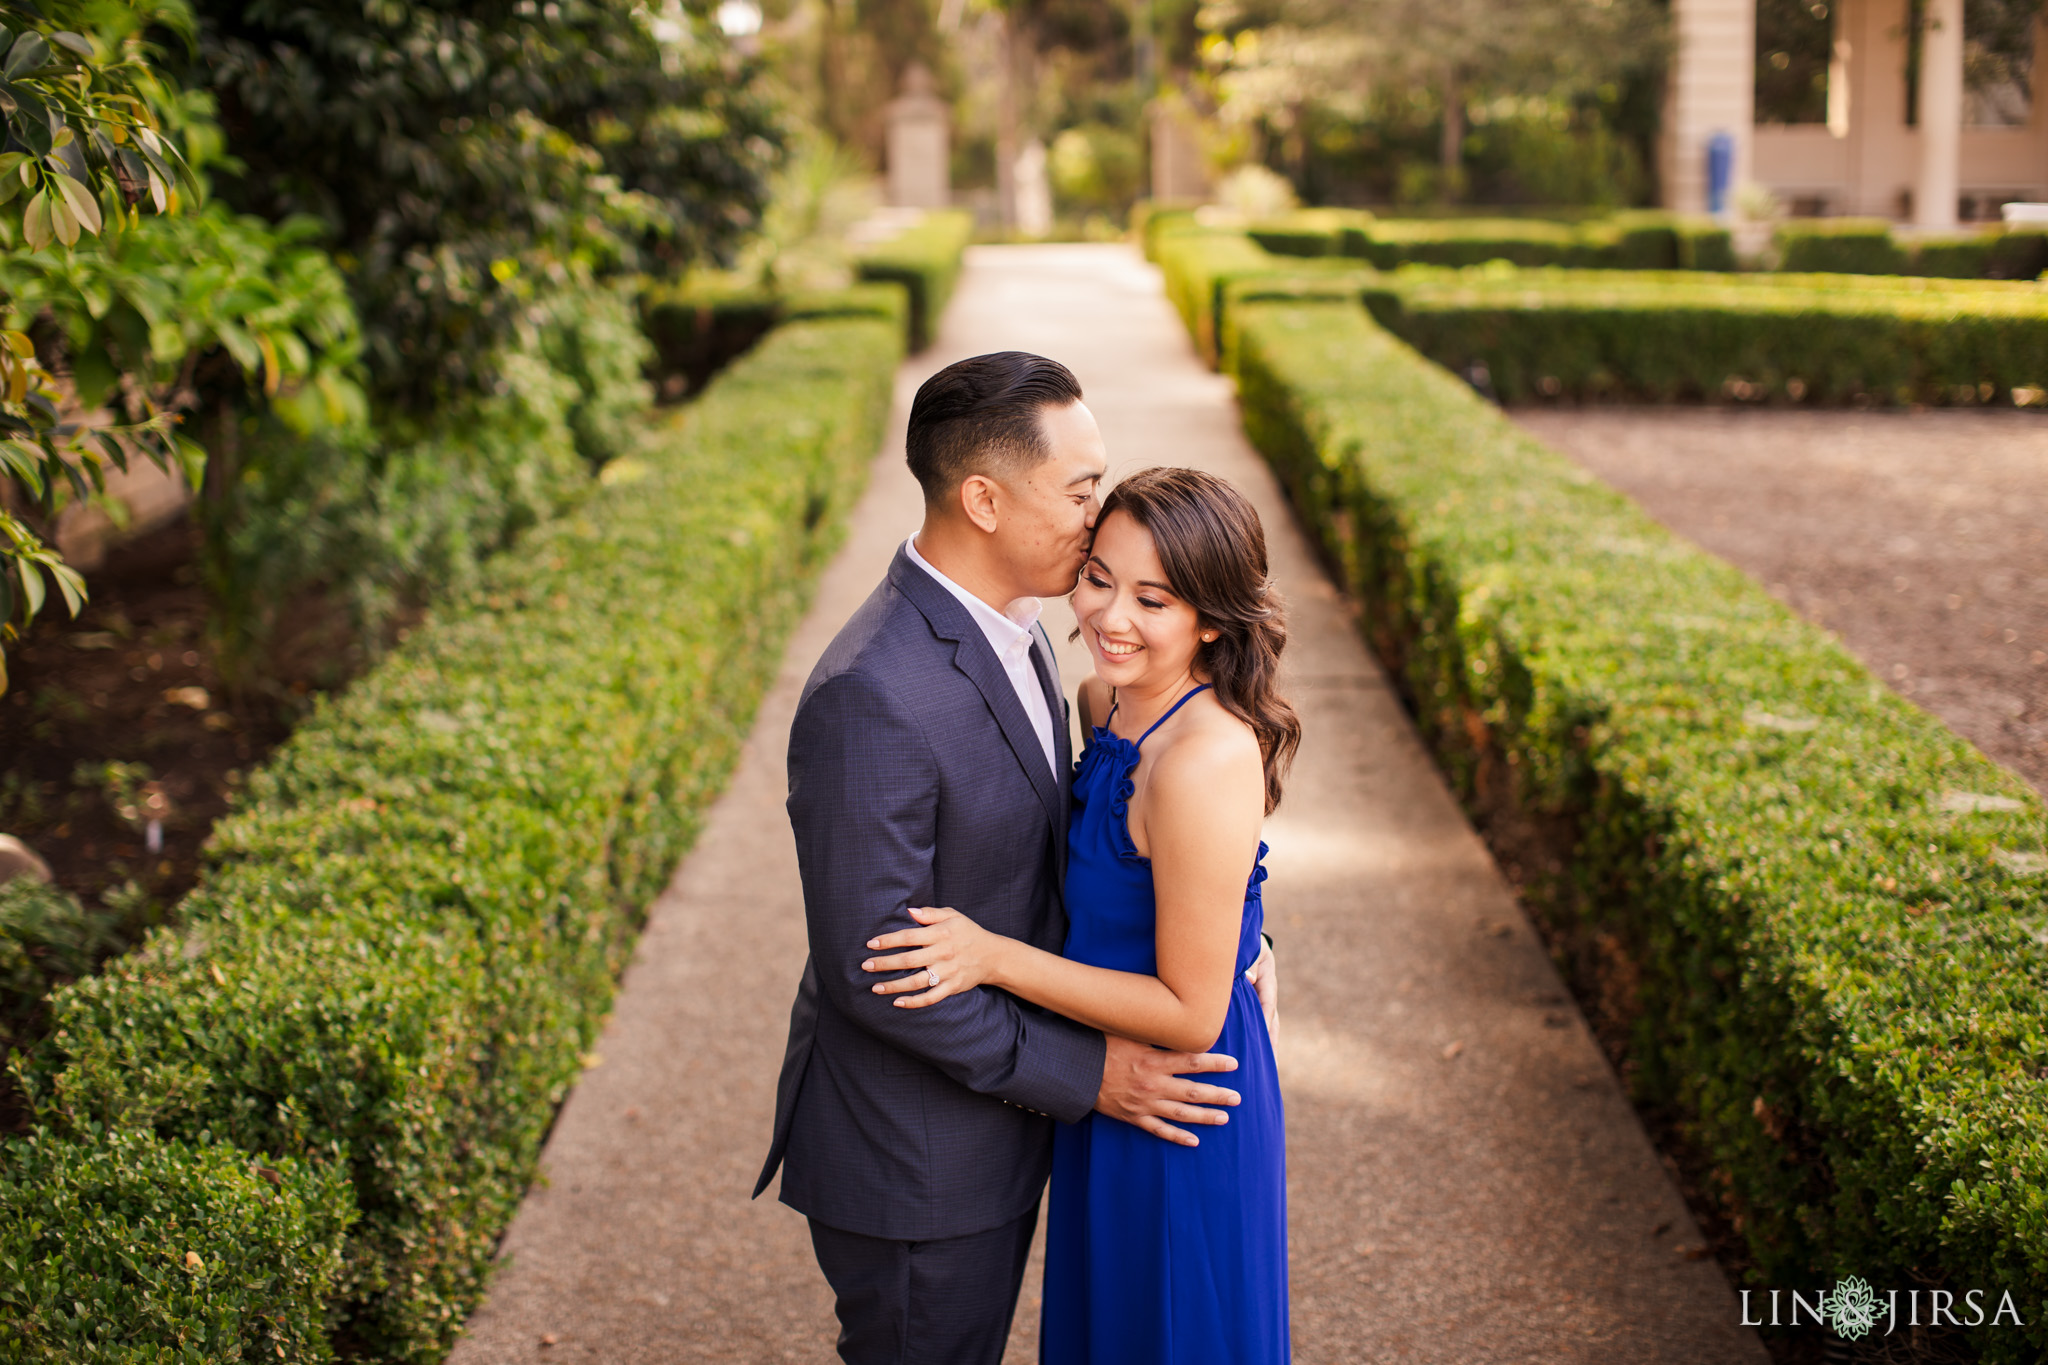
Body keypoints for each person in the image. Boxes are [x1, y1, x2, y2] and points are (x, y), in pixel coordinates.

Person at [753, 353, 1277, 1365]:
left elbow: (1110, 830)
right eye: (1079, 491)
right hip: (917, 1160)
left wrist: (1233, 924)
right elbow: (880, 970)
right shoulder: (874, 693)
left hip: (1014, 1131)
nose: (1099, 515)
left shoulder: (1030, 627)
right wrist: (1092, 1077)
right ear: (982, 499)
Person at [863, 466, 1296, 1364]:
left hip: (1179, 1096)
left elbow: (1192, 1010)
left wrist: (991, 957)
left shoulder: (1202, 758)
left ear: (1211, 619)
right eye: (1100, 578)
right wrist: (1252, 934)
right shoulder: (1106, 703)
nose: (1111, 617)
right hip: (1106, 1079)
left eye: (1154, 599)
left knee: (1167, 1330)